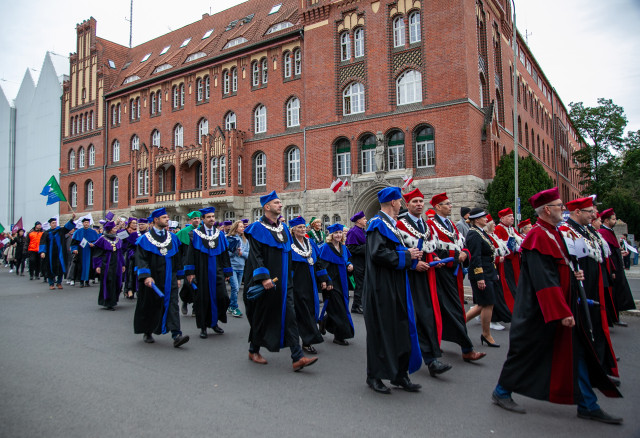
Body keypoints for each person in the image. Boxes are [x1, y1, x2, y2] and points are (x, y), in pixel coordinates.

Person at [492, 187, 622, 424]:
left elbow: (559, 267)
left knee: (575, 353)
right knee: (526, 354)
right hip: (540, 310)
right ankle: (501, 391)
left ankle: (587, 403)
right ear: (547, 209)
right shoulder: (537, 236)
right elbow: (544, 279)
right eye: (560, 206)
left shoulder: (553, 232)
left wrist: (574, 276)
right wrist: (561, 311)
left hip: (560, 304)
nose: (564, 209)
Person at [243, 191, 318, 371]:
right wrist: (264, 277)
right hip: (266, 282)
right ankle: (253, 350)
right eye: (277, 202)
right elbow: (255, 256)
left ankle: (297, 357)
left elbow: (288, 254)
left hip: (285, 283)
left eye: (280, 202)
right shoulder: (256, 228)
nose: (280, 205)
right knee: (262, 317)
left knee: (290, 317)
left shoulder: (284, 228)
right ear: (267, 207)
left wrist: (292, 277)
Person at [363, 187, 424, 394]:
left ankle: (400, 374)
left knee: (400, 329)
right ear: (392, 202)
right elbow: (377, 253)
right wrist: (407, 255)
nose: (402, 204)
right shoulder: (377, 224)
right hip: (381, 287)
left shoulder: (392, 225)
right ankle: (375, 376)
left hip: (395, 284)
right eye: (400, 201)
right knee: (382, 332)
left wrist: (408, 255)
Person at [559, 197, 618, 379]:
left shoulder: (587, 231)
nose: (593, 215)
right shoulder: (566, 231)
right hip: (581, 286)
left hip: (593, 282)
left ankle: (597, 367)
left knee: (594, 327)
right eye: (589, 211)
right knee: (583, 328)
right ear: (577, 212)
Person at [396, 188, 451, 377]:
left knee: (427, 315)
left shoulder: (426, 225)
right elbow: (397, 251)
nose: (419, 204)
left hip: (427, 275)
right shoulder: (400, 225)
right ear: (407, 205)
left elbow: (430, 247)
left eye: (421, 201)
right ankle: (424, 358)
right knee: (415, 316)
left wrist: (435, 257)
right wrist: (412, 265)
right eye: (415, 202)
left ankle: (431, 358)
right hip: (409, 276)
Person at [427, 193, 485, 362]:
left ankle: (436, 342)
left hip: (456, 273)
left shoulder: (451, 225)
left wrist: (465, 254)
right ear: (438, 207)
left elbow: (464, 245)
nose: (451, 206)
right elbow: (432, 250)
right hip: (442, 273)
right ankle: (467, 348)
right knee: (451, 310)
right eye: (447, 204)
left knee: (451, 309)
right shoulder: (431, 225)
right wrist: (455, 256)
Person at [133, 208, 189, 348]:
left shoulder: (173, 238)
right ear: (156, 220)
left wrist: (178, 276)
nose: (167, 219)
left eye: (167, 217)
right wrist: (146, 276)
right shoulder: (144, 240)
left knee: (173, 304)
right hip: (152, 278)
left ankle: (176, 334)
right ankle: (148, 331)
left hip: (170, 276)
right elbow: (141, 259)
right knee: (151, 304)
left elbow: (177, 258)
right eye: (164, 217)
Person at [185, 207, 232, 339]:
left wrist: (227, 271)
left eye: (213, 216)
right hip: (202, 271)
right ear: (203, 219)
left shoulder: (220, 234)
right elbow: (191, 255)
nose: (212, 219)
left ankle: (214, 322)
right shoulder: (195, 234)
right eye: (209, 217)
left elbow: (224, 254)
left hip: (217, 271)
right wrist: (190, 273)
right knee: (203, 300)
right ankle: (203, 327)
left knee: (222, 297)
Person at [289, 216, 327, 354]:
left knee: (310, 309)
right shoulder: (289, 244)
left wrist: (323, 279)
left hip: (311, 282)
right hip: (297, 283)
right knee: (302, 311)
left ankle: (305, 338)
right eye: (299, 227)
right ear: (293, 230)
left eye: (304, 227)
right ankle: (307, 340)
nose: (302, 229)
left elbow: (318, 262)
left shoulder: (310, 242)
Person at [464, 208, 500, 348]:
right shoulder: (474, 234)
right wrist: (480, 277)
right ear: (477, 219)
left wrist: (493, 271)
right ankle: (486, 334)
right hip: (481, 274)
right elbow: (476, 257)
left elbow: (489, 255)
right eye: (484, 217)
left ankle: (460, 324)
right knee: (487, 303)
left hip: (487, 272)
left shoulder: (481, 232)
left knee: (484, 304)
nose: (487, 219)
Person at [318, 223, 355, 346]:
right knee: (338, 309)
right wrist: (327, 281)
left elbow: (346, 260)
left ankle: (324, 321)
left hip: (343, 282)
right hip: (331, 282)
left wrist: (349, 265)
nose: (338, 235)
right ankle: (339, 336)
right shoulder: (325, 248)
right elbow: (321, 266)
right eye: (336, 233)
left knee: (340, 307)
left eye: (340, 233)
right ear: (331, 235)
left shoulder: (343, 248)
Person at [599, 209, 636, 326]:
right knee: (613, 294)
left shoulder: (609, 232)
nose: (615, 221)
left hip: (616, 268)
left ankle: (616, 316)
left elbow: (613, 250)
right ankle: (614, 317)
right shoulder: (603, 232)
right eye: (613, 219)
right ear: (606, 220)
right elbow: (607, 253)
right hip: (612, 269)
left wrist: (620, 252)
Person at [484, 214, 512, 329]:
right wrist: (497, 259)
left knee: (494, 296)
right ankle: (491, 320)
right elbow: (485, 255)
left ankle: (486, 316)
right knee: (492, 297)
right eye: (493, 223)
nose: (495, 225)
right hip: (491, 270)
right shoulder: (486, 237)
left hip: (497, 269)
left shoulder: (493, 236)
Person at [93, 221, 126, 310]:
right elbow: (97, 254)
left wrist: (123, 264)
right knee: (108, 282)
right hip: (106, 264)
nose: (116, 230)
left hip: (117, 263)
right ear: (109, 230)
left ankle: (114, 300)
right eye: (114, 228)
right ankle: (108, 302)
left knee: (116, 282)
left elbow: (120, 253)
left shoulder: (118, 239)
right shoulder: (102, 239)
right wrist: (98, 265)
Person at [494, 208, 523, 303]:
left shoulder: (511, 228)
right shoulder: (499, 229)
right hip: (506, 262)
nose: (512, 218)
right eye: (509, 216)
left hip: (515, 260)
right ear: (502, 218)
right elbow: (500, 246)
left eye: (512, 216)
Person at [40, 215, 76, 290]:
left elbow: (67, 227)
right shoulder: (46, 233)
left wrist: (72, 219)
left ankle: (59, 283)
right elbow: (43, 243)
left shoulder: (60, 231)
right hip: (50, 254)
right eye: (53, 223)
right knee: (50, 268)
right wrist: (42, 251)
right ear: (50, 224)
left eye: (55, 223)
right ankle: (51, 283)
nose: (54, 224)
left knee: (60, 267)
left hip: (60, 253)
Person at [177, 211, 201, 316]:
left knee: (198, 284)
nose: (196, 220)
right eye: (194, 218)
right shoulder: (183, 232)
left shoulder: (202, 231)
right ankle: (185, 302)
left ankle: (196, 307)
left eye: (198, 218)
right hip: (186, 261)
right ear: (190, 220)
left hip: (199, 262)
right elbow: (178, 248)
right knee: (188, 284)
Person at [226, 220, 249, 318]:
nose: (243, 228)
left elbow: (248, 254)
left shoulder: (245, 240)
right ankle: (235, 307)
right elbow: (226, 254)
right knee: (235, 287)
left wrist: (241, 254)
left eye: (243, 227)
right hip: (232, 267)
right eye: (240, 227)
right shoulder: (229, 238)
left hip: (241, 266)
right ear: (235, 228)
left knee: (236, 288)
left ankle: (231, 306)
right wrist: (234, 251)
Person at [345, 211, 366, 314]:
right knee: (359, 284)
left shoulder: (363, 230)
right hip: (357, 261)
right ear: (359, 220)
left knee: (363, 284)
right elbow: (351, 248)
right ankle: (356, 305)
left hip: (363, 261)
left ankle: (361, 303)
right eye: (364, 219)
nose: (366, 220)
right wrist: (366, 248)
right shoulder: (353, 231)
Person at [71, 218, 100, 287]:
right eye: (85, 222)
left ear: (89, 223)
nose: (86, 224)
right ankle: (81, 281)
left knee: (89, 266)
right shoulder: (78, 232)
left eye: (87, 222)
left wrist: (93, 244)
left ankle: (87, 281)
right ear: (83, 223)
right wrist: (74, 249)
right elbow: (74, 243)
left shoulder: (93, 232)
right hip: (81, 251)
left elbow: (97, 241)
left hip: (90, 251)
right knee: (80, 266)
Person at [121, 218, 139, 300]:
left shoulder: (138, 232)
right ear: (129, 223)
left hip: (137, 253)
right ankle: (128, 289)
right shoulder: (125, 231)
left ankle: (136, 289)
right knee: (129, 272)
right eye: (133, 223)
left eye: (136, 223)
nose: (135, 224)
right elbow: (120, 240)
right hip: (128, 253)